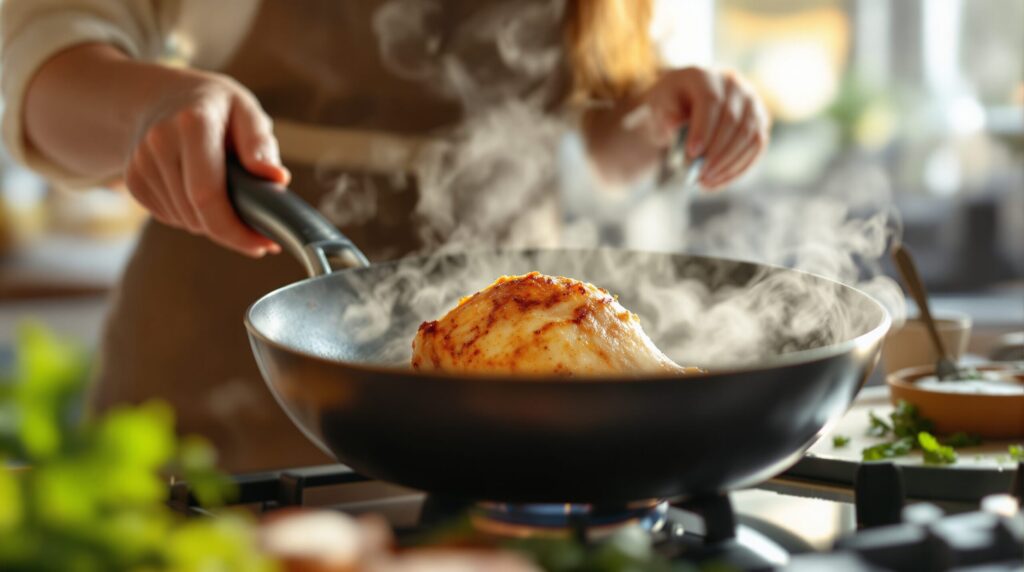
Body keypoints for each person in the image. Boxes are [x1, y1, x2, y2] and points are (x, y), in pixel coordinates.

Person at [2, 0, 769, 472]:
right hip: (228, 361)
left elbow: (602, 136)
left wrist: (668, 106)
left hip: (523, 398)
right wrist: (150, 106)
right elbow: (39, 63)